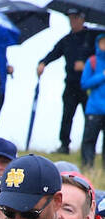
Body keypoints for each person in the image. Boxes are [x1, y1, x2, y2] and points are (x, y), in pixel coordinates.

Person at [38, 10, 96, 155]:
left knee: (91, 117)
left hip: (88, 85)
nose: (73, 21)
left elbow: (101, 58)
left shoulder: (93, 37)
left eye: (75, 18)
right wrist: (43, 63)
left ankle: (89, 148)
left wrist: (87, 65)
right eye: (70, 19)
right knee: (67, 115)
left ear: (82, 19)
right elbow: (55, 52)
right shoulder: (67, 40)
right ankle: (64, 145)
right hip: (71, 84)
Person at [81, 31, 105, 169]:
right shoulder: (92, 61)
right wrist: (102, 75)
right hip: (94, 109)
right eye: (102, 42)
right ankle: (88, 169)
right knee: (89, 141)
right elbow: (84, 83)